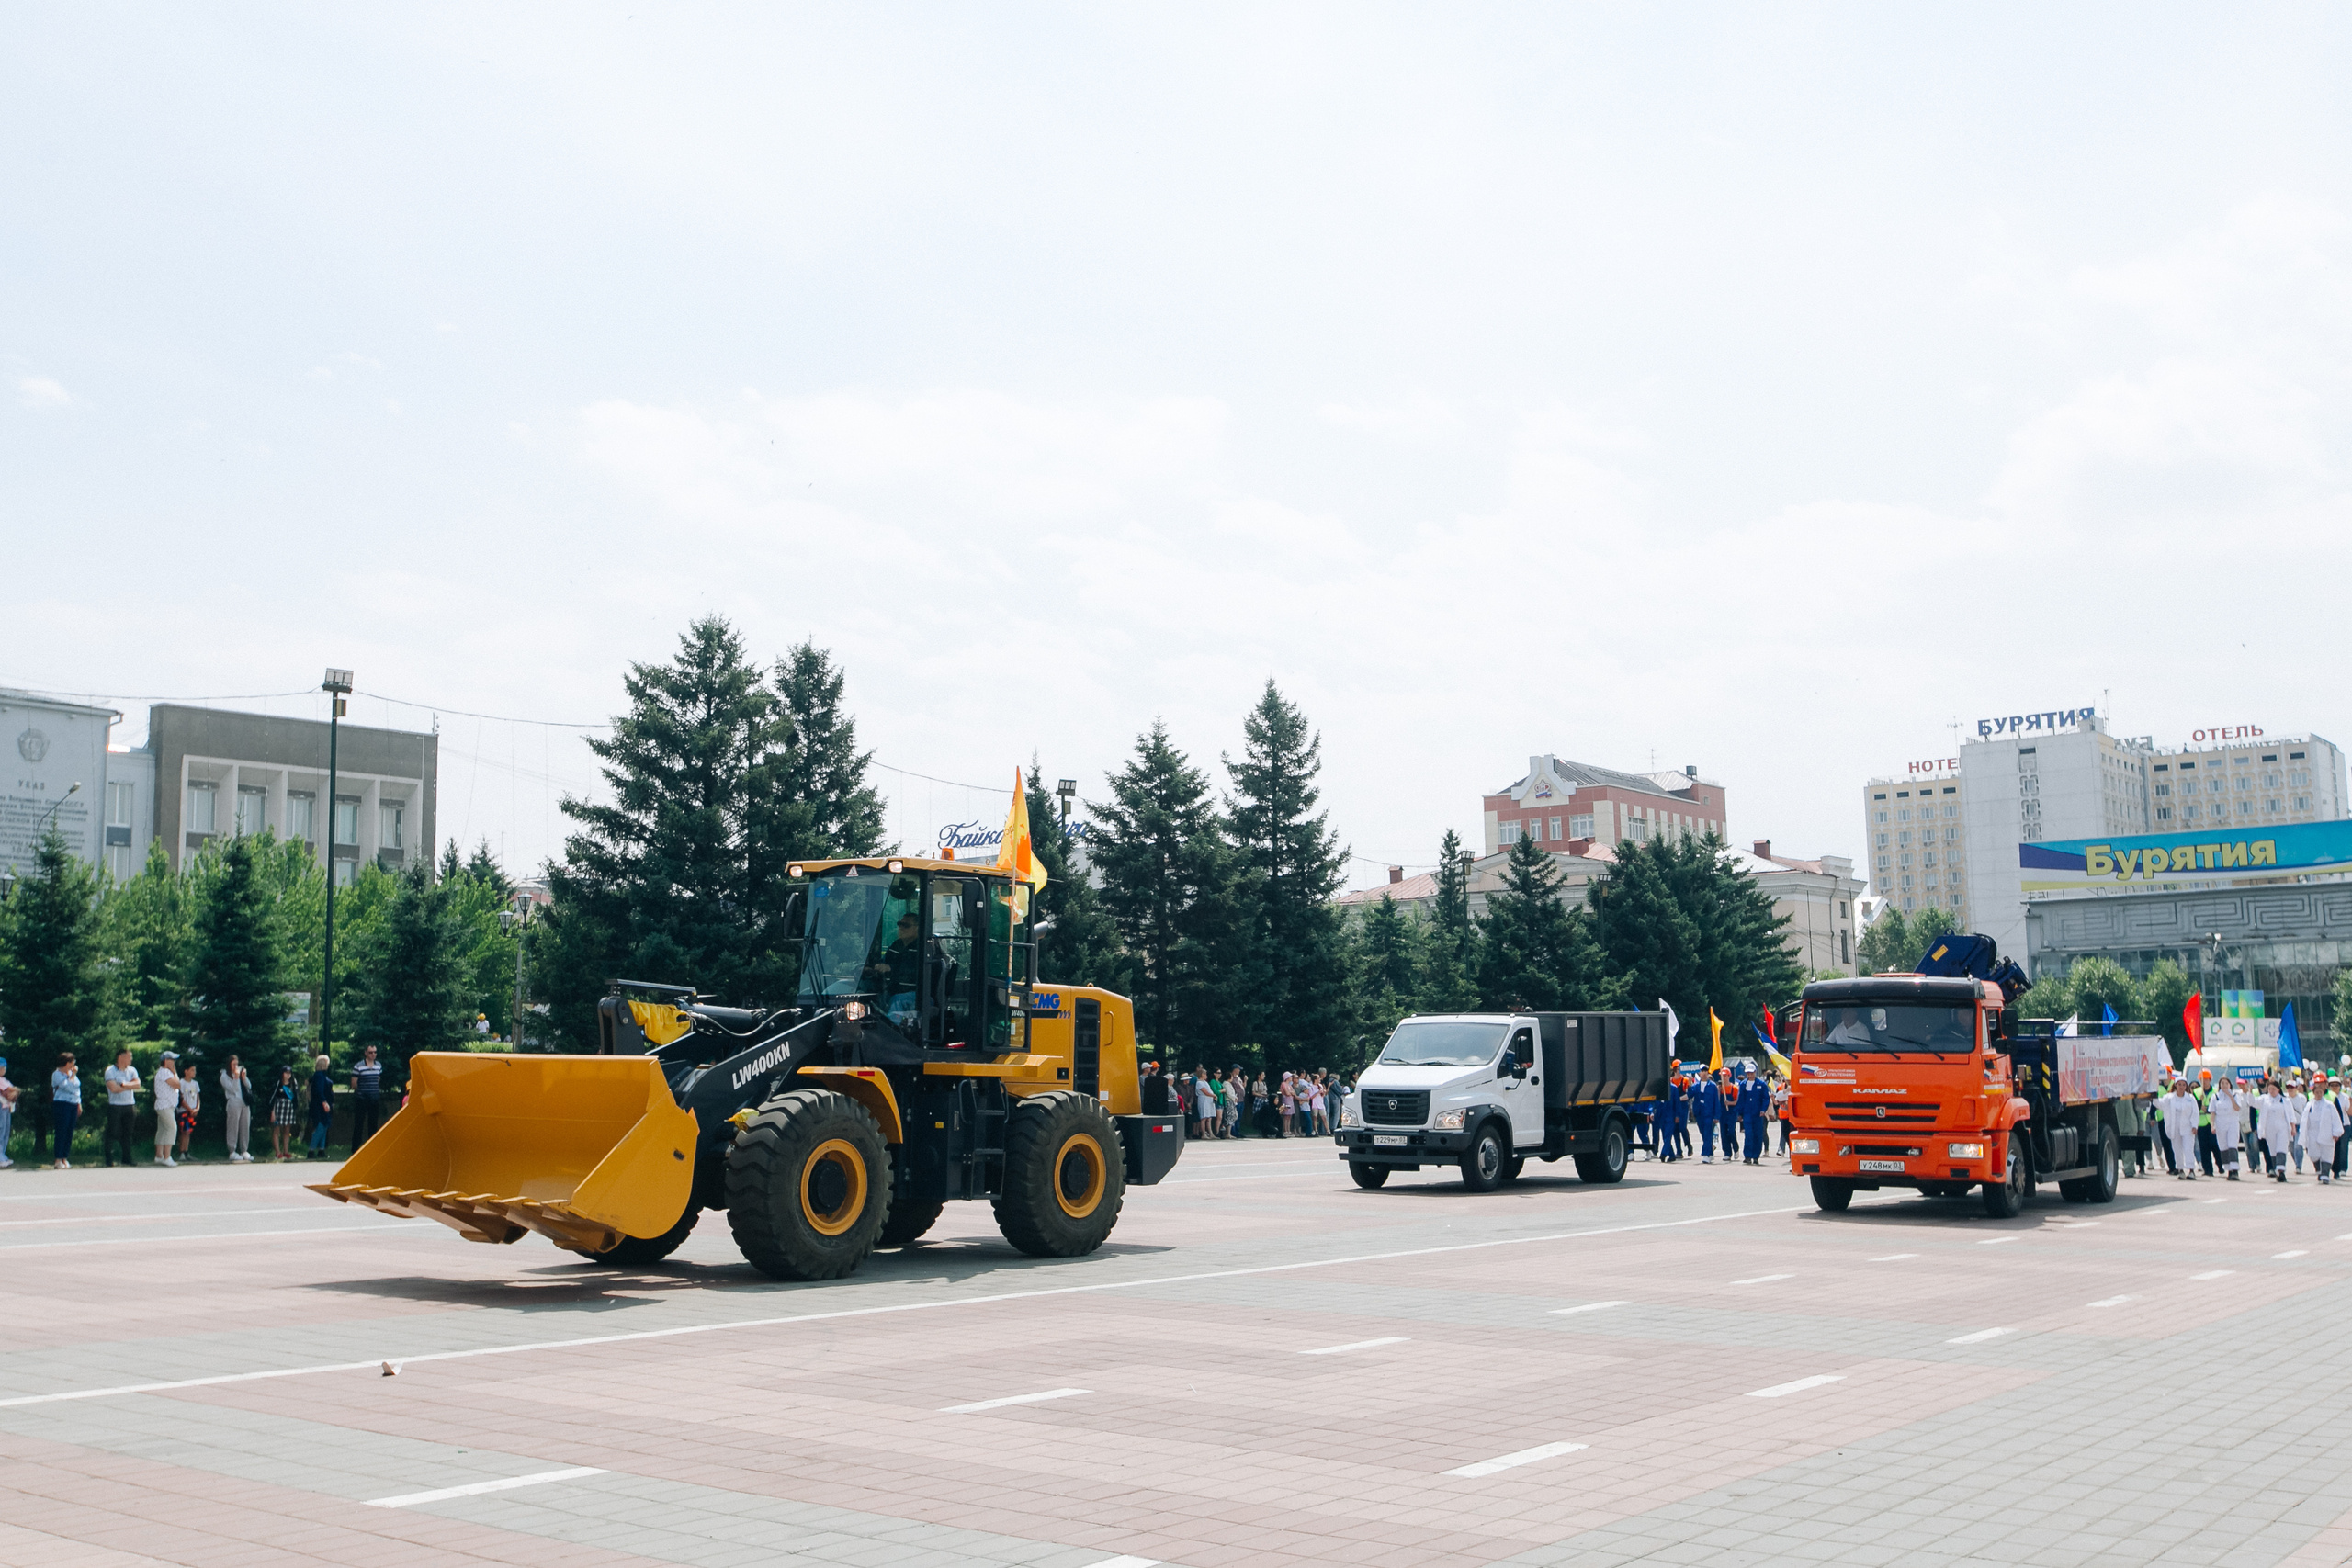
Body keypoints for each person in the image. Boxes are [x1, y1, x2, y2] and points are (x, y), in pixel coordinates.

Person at [103, 1049, 141, 1167]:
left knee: (128, 1133)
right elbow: (113, 1088)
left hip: (129, 1105)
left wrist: (123, 1085)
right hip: (115, 1106)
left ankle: (127, 1158)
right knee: (113, 1132)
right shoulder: (110, 1071)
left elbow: (138, 1084)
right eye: (129, 1057)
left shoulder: (132, 1070)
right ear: (121, 1057)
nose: (131, 1059)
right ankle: (109, 1159)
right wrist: (130, 1085)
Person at [2159, 1078, 2201, 1180]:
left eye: (2183, 1085)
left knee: (2188, 1148)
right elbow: (2159, 1104)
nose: (2181, 1087)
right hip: (2174, 1126)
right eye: (2179, 1084)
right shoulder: (2169, 1098)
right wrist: (2152, 1095)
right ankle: (2180, 1170)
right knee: (2177, 1149)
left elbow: (2195, 1112)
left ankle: (2191, 1170)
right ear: (2176, 1085)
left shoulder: (2190, 1098)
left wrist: (2194, 1125)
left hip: (2187, 1127)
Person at [2304, 1087, 2346, 1187]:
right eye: (2316, 1092)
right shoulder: (2309, 1105)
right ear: (2313, 1093)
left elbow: (2336, 1119)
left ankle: (2325, 1175)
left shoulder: (2329, 1105)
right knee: (2313, 1154)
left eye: (2320, 1092)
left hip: (2326, 1133)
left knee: (2327, 1155)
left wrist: (2336, 1133)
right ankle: (2320, 1169)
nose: (2318, 1094)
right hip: (2313, 1133)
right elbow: (2304, 1120)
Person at [49, 1052, 83, 1170]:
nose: (74, 1064)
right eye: (73, 1062)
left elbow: (77, 1088)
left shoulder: (70, 1074)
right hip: (62, 1104)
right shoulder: (57, 1074)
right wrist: (73, 1075)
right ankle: (58, 1159)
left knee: (69, 1131)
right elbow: (67, 1086)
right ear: (67, 1063)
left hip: (73, 1103)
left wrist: (79, 1103)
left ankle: (65, 1158)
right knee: (61, 1131)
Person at [2209, 1076, 2245, 1181]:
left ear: (2230, 1085)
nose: (2224, 1085)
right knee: (2223, 1146)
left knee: (2232, 1145)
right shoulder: (2215, 1097)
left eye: (2226, 1083)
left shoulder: (2235, 1095)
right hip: (2221, 1123)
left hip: (2232, 1122)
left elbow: (2237, 1108)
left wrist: (2230, 1096)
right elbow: (2212, 1112)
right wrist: (2212, 1125)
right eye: (2222, 1083)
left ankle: (2235, 1170)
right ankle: (2228, 1169)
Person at [350, 1045, 387, 1147]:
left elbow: (378, 1079)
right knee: (359, 1123)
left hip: (374, 1098)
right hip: (362, 1098)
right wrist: (362, 1091)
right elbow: (354, 1083)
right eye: (371, 1052)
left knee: (373, 1124)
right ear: (366, 1053)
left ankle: (372, 1146)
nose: (373, 1054)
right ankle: (356, 1147)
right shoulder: (358, 1066)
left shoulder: (378, 1065)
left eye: (375, 1052)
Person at [151, 1051, 183, 1167]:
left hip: (166, 1106)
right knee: (172, 1128)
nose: (174, 1062)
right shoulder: (165, 1072)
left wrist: (174, 1072)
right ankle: (167, 1157)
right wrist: (174, 1073)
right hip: (165, 1106)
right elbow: (178, 1085)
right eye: (171, 1059)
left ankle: (159, 1156)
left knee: (163, 1130)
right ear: (165, 1061)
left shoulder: (164, 1072)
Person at [220, 1055, 254, 1163]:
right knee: (233, 1126)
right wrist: (235, 1077)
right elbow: (233, 1089)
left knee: (245, 1125)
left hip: (244, 1102)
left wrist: (243, 1077)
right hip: (233, 1102)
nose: (236, 1066)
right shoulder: (224, 1076)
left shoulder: (240, 1073)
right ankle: (232, 1151)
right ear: (229, 1065)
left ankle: (244, 1150)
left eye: (237, 1064)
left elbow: (249, 1086)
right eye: (233, 1064)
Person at [174, 1054, 201, 1161]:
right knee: (183, 1131)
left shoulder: (195, 1084)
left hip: (192, 1112)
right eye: (192, 1070)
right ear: (186, 1071)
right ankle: (181, 1152)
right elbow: (181, 1099)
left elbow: (198, 1097)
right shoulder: (181, 1083)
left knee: (188, 1131)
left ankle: (186, 1151)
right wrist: (189, 1109)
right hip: (184, 1111)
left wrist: (197, 1108)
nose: (194, 1072)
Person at [268, 1066, 300, 1160]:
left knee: (287, 1130)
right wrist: (272, 1112)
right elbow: (273, 1098)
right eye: (286, 1073)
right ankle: (278, 1152)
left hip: (288, 1108)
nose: (288, 1075)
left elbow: (295, 1098)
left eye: (289, 1073)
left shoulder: (293, 1084)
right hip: (278, 1108)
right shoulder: (278, 1083)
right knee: (277, 1130)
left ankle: (286, 1152)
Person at [1739, 1066, 1770, 1166]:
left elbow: (1766, 1098)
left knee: (1758, 1135)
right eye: (1748, 1073)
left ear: (1755, 1072)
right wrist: (1740, 1113)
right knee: (1748, 1135)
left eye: (1751, 1073)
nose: (1750, 1075)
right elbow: (1741, 1099)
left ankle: (1756, 1156)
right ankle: (1747, 1156)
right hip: (1747, 1113)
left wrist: (1763, 1110)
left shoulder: (1761, 1084)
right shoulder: (1743, 1084)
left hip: (1758, 1114)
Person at [307, 1054, 335, 1156]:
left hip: (323, 1104)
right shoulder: (319, 1076)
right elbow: (318, 1091)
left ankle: (321, 1150)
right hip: (320, 1105)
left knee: (324, 1126)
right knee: (321, 1127)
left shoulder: (321, 1075)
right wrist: (324, 1102)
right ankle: (311, 1149)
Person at [1694, 1070, 1724, 1163]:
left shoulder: (1712, 1086)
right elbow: (1689, 1094)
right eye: (1701, 1072)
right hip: (1699, 1113)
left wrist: (1716, 1116)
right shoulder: (1696, 1086)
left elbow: (1716, 1101)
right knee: (1703, 1133)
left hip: (1709, 1113)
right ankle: (1710, 1152)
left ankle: (1706, 1154)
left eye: (1705, 1071)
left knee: (1708, 1133)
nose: (1703, 1074)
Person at [0, 1055, 16, 1168]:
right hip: (1, 1106)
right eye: (2, 1067)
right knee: (0, 1131)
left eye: (4, 1067)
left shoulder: (5, 1080)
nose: (4, 1069)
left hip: (7, 1107)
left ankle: (3, 1154)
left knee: (5, 1131)